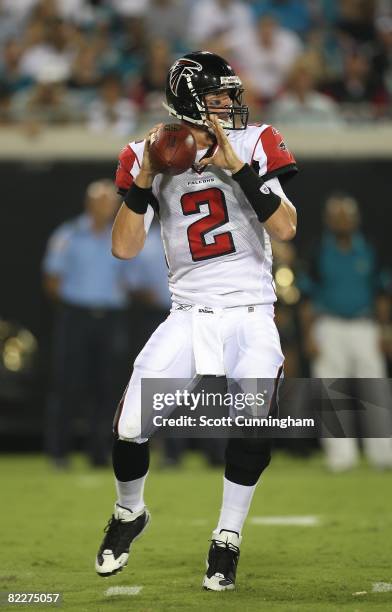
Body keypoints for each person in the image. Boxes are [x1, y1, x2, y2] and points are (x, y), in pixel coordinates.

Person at [94, 51, 298, 591]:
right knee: (130, 427)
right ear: (187, 99)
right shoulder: (147, 153)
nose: (231, 104)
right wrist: (142, 181)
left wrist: (239, 169)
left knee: (253, 424)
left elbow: (286, 227)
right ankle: (129, 511)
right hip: (187, 313)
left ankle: (227, 536)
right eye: (217, 97)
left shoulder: (255, 142)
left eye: (232, 94)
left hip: (251, 310)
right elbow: (122, 247)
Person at [42, 180, 134, 468]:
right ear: (89, 203)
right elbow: (52, 279)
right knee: (69, 383)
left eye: (111, 203)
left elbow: (133, 278)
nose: (108, 207)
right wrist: (75, 304)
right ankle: (59, 452)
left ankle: (99, 452)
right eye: (102, 202)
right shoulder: (68, 235)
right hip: (77, 316)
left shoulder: (121, 236)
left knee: (108, 386)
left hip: (111, 317)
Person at [299, 193, 392, 472]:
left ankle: (383, 454)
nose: (341, 221)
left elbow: (381, 294)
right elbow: (306, 297)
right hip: (329, 326)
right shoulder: (317, 251)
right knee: (330, 391)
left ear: (355, 219)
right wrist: (309, 335)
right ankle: (341, 457)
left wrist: (385, 330)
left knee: (374, 389)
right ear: (328, 220)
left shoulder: (370, 249)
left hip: (365, 326)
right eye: (336, 216)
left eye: (346, 216)